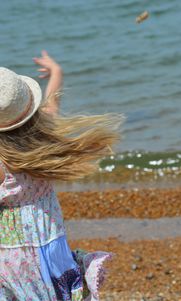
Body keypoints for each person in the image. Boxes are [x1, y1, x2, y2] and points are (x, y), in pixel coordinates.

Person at [0, 51, 122, 301]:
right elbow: (52, 104)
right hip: (51, 248)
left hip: (13, 258)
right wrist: (56, 72)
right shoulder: (42, 137)